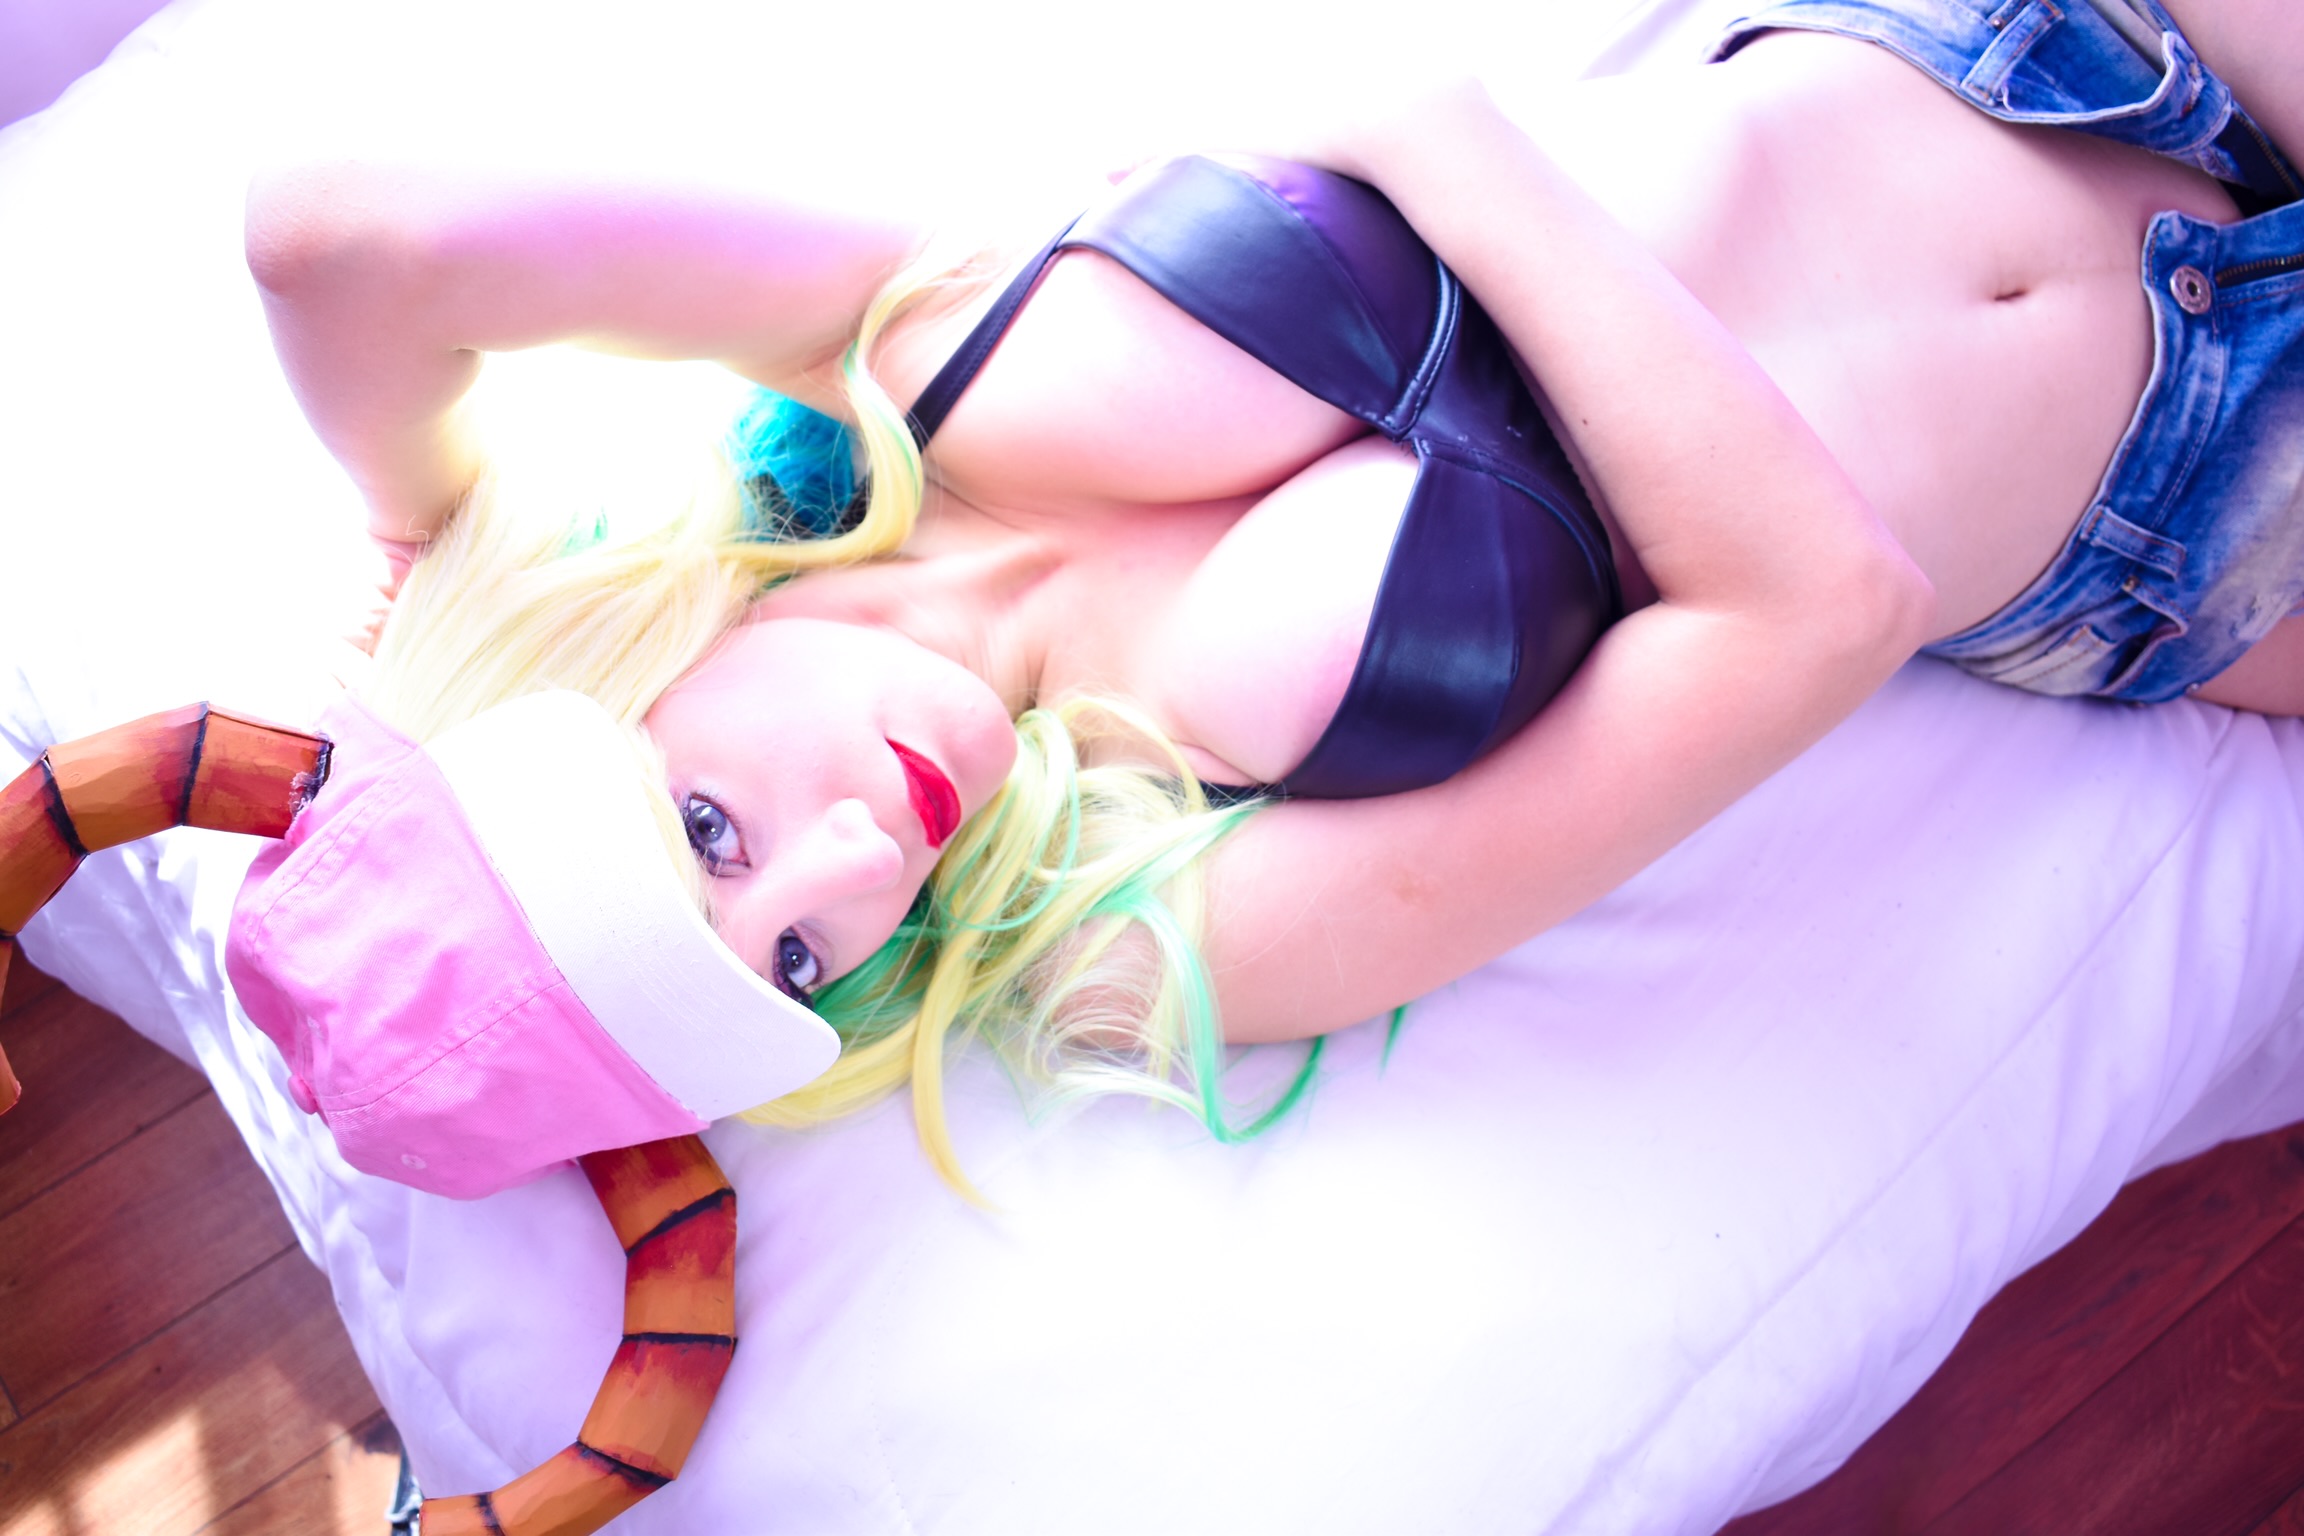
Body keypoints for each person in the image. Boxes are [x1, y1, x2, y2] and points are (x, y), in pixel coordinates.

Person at [237, 0, 2299, 1189]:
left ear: (606, 681)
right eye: (793, 963)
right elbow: (1827, 608)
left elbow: (338, 234)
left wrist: (416, 530)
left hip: (2048, 46)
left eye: (709, 832)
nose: (861, 872)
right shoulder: (1144, 936)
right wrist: (1439, 149)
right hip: (2194, 496)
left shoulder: (884, 354)